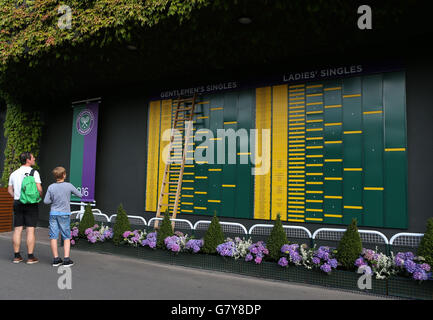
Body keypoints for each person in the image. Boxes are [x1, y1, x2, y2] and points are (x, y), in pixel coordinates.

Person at [8, 152, 43, 264]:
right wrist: (39, 196)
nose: (34, 159)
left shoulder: (14, 173)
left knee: (18, 229)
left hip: (18, 202)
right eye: (32, 157)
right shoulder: (34, 172)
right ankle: (30, 257)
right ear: (28, 160)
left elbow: (9, 190)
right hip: (31, 203)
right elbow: (39, 189)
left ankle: (17, 256)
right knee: (30, 229)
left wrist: (17, 197)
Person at [44, 166, 82, 267]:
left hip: (53, 213)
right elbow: (80, 195)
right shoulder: (68, 186)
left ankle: (56, 259)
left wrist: (54, 200)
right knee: (66, 237)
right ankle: (66, 259)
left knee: (53, 236)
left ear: (55, 176)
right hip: (64, 214)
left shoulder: (51, 187)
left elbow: (46, 201)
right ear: (64, 175)